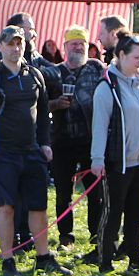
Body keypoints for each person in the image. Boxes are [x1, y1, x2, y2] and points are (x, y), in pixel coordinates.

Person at [0, 26, 71, 276]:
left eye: (20, 43)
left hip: (32, 152)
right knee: (6, 207)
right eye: (10, 44)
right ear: (0, 47)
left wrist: (45, 143)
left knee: (39, 207)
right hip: (3, 154)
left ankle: (43, 258)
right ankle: (8, 262)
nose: (16, 48)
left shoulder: (35, 75)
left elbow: (43, 113)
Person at [89, 31, 139, 276]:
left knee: (137, 214)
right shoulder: (107, 87)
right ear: (121, 55)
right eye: (136, 57)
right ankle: (105, 260)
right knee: (113, 212)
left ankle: (135, 260)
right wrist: (97, 159)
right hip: (119, 162)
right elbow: (99, 125)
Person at [42, 25, 105, 252]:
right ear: (65, 46)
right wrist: (55, 104)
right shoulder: (54, 73)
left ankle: (96, 235)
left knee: (95, 192)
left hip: (90, 140)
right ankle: (65, 237)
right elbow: (40, 105)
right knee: (63, 192)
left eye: (81, 43)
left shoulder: (96, 69)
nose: (78, 47)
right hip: (62, 141)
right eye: (73, 43)